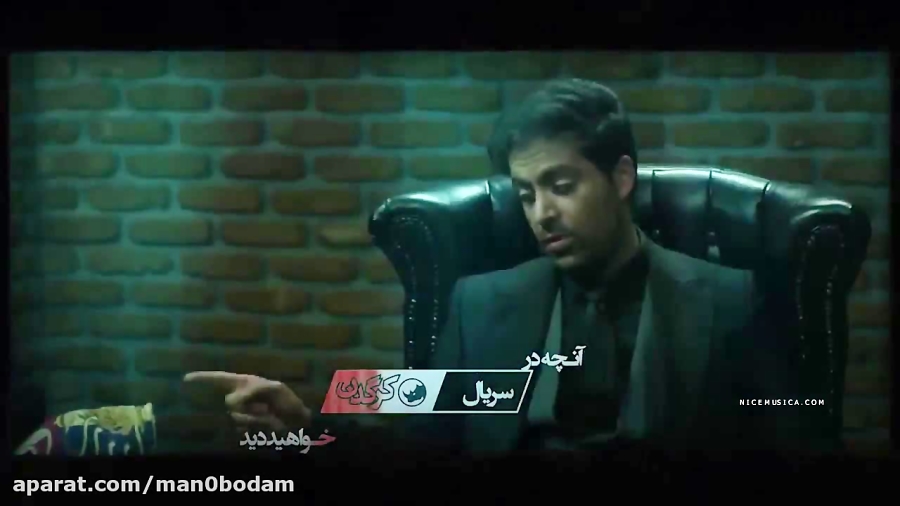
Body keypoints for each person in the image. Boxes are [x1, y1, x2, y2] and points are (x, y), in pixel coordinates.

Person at [185, 79, 831, 456]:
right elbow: (419, 417)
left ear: (620, 178)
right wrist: (308, 423)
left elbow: (791, 437)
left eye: (561, 186)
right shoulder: (480, 300)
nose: (542, 212)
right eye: (526, 193)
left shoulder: (728, 298)